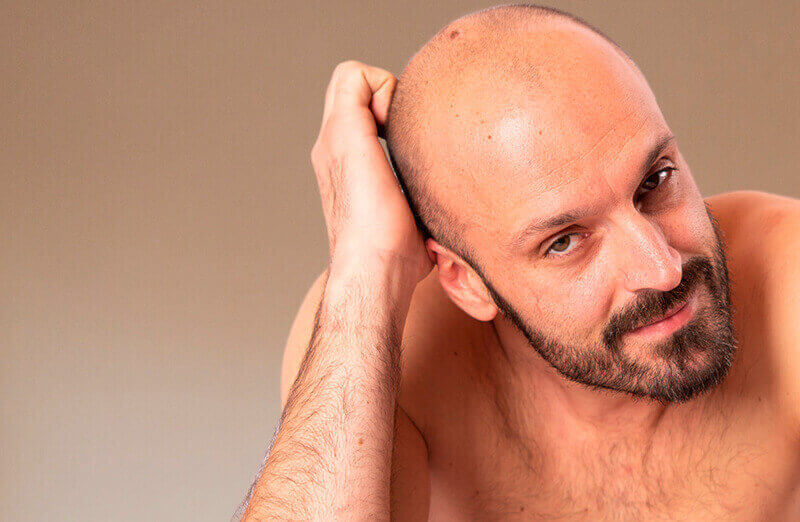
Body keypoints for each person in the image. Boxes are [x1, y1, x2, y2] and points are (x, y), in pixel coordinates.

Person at [236, 4, 800, 520]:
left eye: (655, 180)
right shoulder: (383, 348)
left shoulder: (786, 274)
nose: (663, 269)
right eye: (565, 242)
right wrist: (367, 266)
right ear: (466, 282)